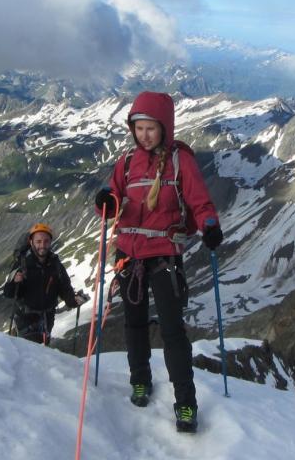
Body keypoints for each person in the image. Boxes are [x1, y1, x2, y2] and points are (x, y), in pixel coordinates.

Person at [93, 91, 224, 433]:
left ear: (165, 128)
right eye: (139, 128)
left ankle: (185, 403)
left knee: (172, 330)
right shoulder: (125, 164)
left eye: (151, 128)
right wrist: (105, 199)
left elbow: (200, 202)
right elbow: (113, 198)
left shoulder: (181, 161)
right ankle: (140, 380)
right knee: (134, 324)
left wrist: (210, 225)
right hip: (129, 256)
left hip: (164, 255)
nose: (145, 135)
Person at [3, 222, 86, 346]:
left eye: (46, 241)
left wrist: (73, 300)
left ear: (50, 242)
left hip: (47, 319)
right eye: (38, 241)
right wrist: (14, 282)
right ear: (31, 242)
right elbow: (8, 293)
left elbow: (65, 288)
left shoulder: (56, 264)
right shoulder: (22, 264)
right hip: (26, 320)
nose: (43, 245)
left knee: (41, 353)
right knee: (31, 354)